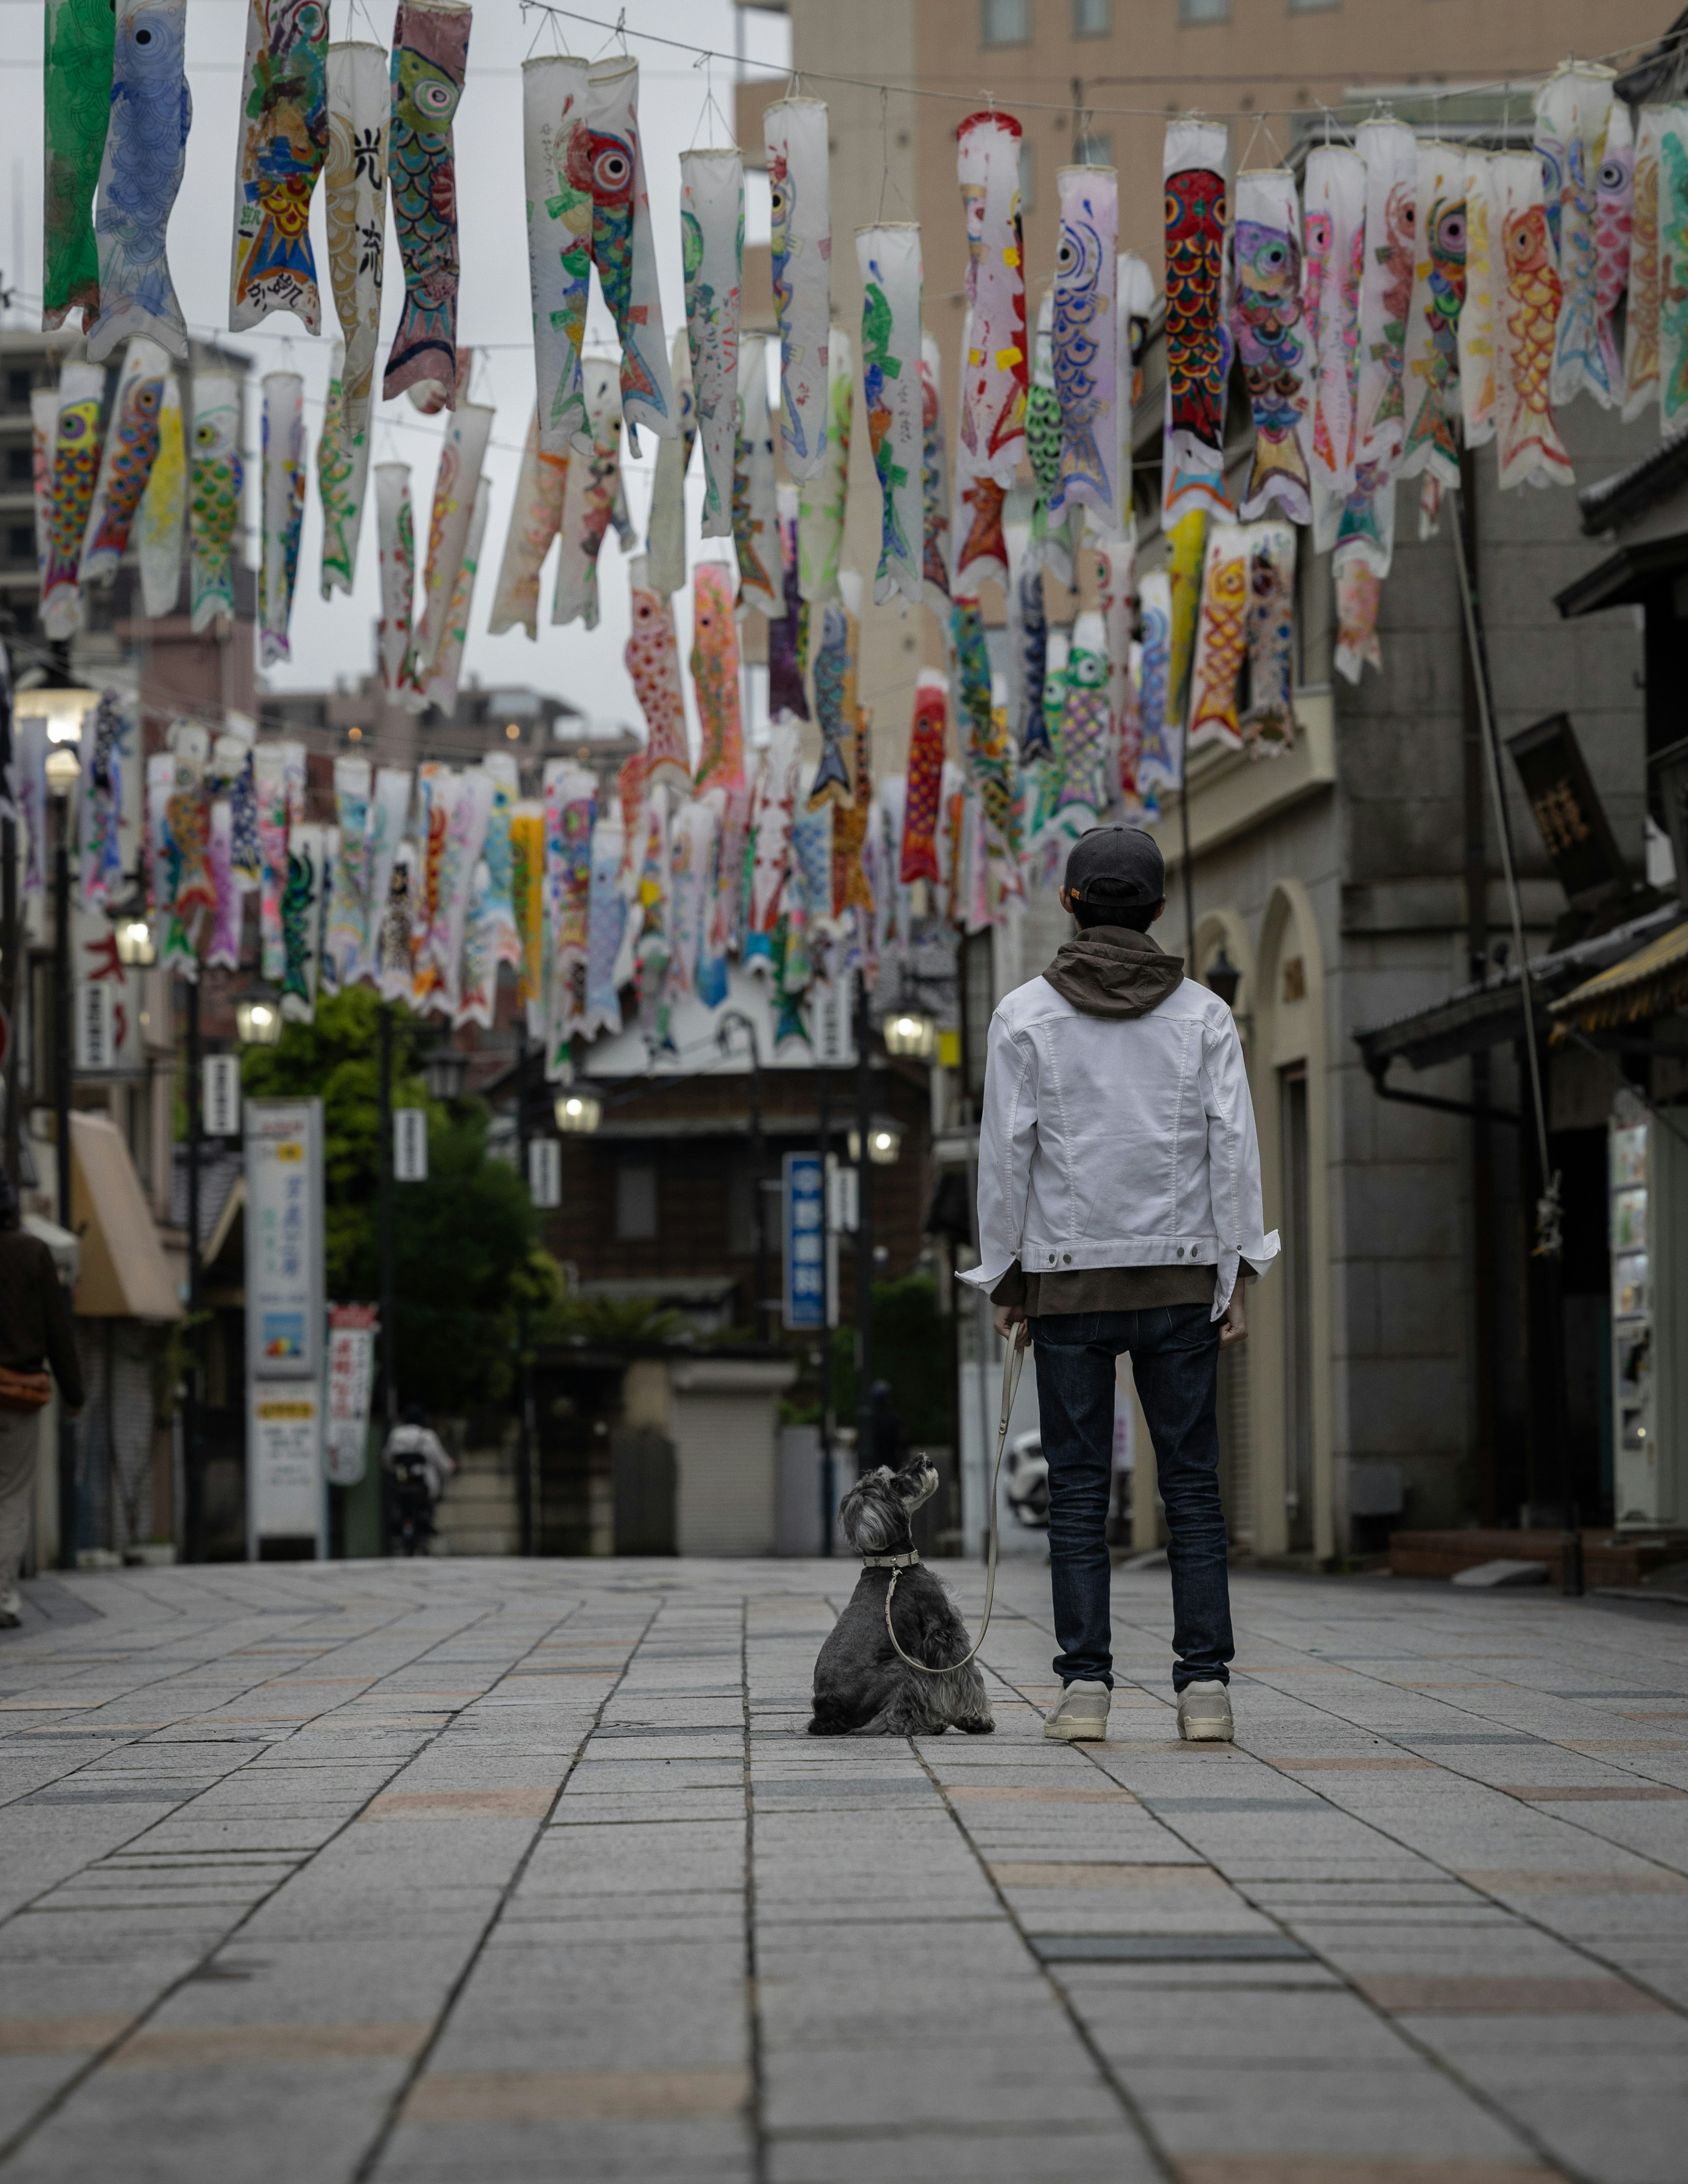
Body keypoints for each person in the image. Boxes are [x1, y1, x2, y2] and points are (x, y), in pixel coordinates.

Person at [962, 827, 1278, 1745]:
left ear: (1069, 905)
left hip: (1066, 1280)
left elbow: (1003, 1158)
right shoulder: (1204, 1016)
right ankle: (1204, 1691)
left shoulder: (1024, 1016)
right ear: (1156, 910)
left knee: (1075, 1492)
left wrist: (1006, 1278)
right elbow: (1235, 1154)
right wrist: (1237, 1271)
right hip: (1182, 1276)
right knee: (1192, 1489)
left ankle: (1086, 1691)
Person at [0, 1170, 84, 1628]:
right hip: (16, 1393)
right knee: (11, 1496)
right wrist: (75, 1394)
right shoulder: (32, 1252)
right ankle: (1, 1596)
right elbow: (58, 1330)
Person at [382, 1404, 455, 1551]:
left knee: (399, 1499)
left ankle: (401, 1526)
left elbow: (387, 1459)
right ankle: (428, 1523)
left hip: (401, 1480)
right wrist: (451, 1466)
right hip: (423, 1484)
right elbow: (441, 1462)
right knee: (433, 1486)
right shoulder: (427, 1436)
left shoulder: (396, 1435)